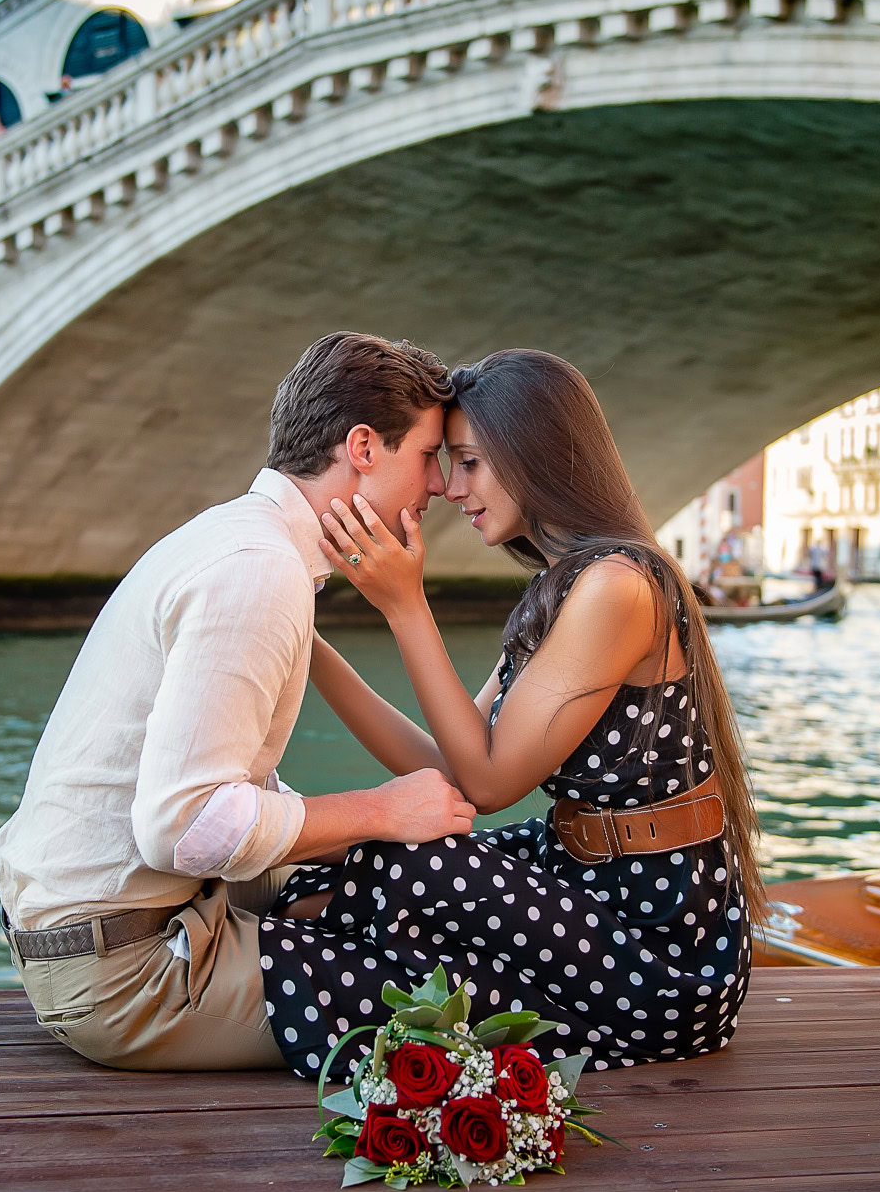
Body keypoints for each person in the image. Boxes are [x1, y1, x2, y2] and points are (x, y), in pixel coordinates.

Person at [260, 349, 763, 1079]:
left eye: (468, 463)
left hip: (660, 945)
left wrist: (406, 606)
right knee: (361, 851)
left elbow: (491, 787)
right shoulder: (563, 590)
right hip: (584, 882)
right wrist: (302, 637)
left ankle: (246, 982)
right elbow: (454, 770)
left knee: (412, 861)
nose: (449, 488)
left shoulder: (620, 585)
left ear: (532, 455)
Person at [0, 332, 474, 1071]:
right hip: (125, 975)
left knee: (404, 881)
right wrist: (381, 811)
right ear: (364, 448)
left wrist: (376, 834)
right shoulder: (257, 571)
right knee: (455, 998)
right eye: (429, 456)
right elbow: (183, 827)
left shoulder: (237, 538)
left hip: (107, 928)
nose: (438, 484)